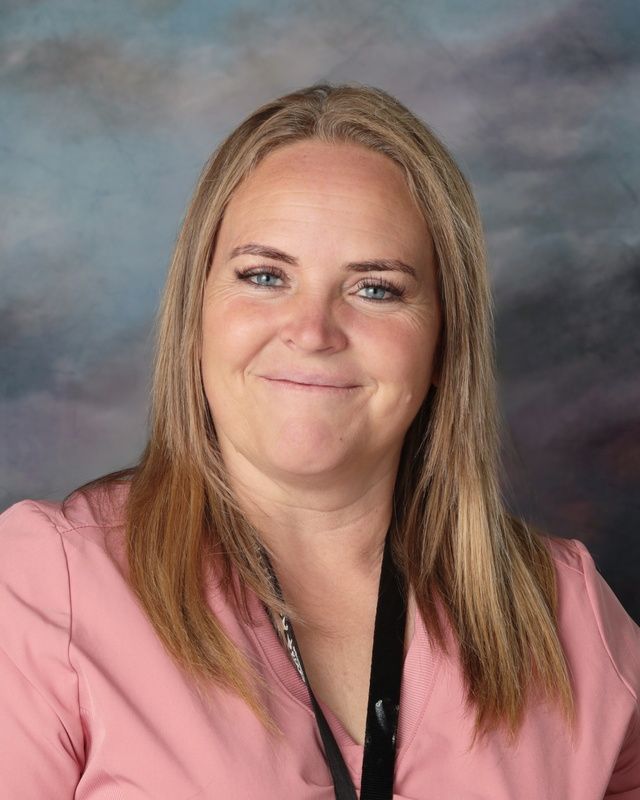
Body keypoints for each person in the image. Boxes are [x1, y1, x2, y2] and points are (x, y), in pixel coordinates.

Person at [0, 83, 638, 800]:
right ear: (196, 315)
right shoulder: (46, 587)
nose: (312, 331)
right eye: (265, 276)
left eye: (376, 288)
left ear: (442, 343)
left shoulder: (568, 613)